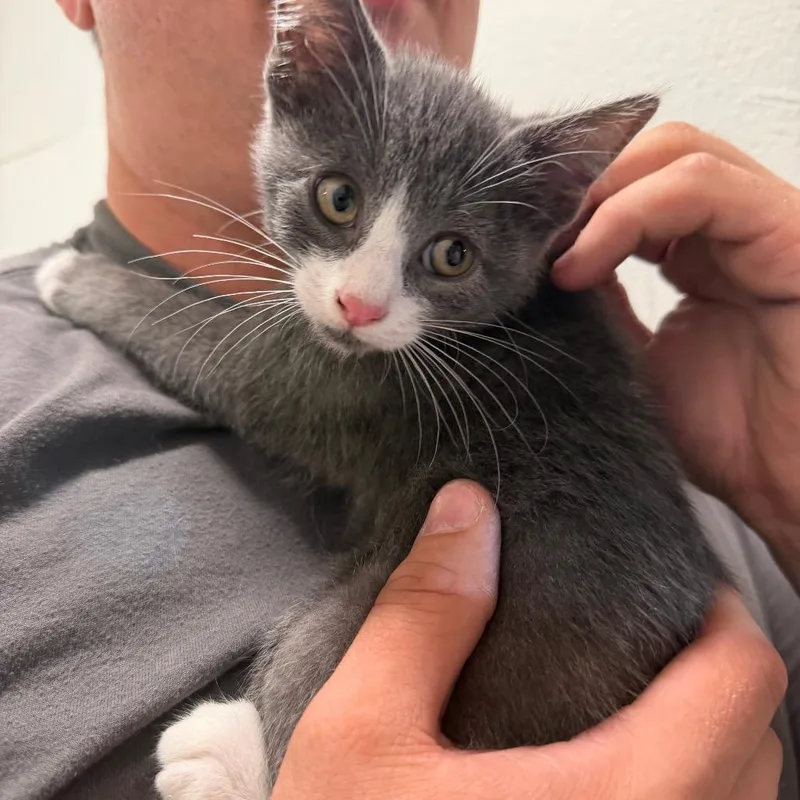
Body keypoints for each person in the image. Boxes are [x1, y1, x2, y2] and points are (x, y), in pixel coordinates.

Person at [0, 0, 797, 797]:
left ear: (544, 219)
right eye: (340, 203)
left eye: (448, 256)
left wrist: (785, 495)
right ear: (296, 78)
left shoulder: (716, 454)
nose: (363, 299)